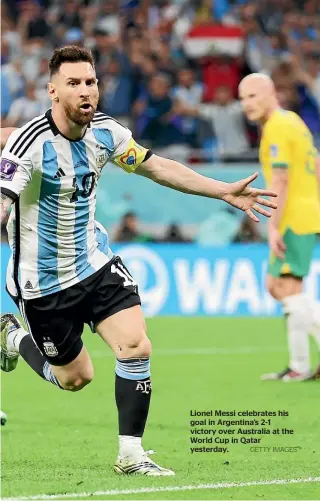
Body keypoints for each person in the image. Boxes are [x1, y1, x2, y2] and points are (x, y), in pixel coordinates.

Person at [0, 46, 276, 476]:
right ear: (53, 92)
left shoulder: (107, 134)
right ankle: (13, 338)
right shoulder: (29, 145)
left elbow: (158, 168)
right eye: (74, 84)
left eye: (90, 82)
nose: (86, 91)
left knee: (136, 345)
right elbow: (2, 204)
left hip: (94, 263)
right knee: (74, 379)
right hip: (43, 282)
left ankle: (131, 454)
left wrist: (221, 190)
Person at [239, 73, 320, 382]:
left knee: (283, 287)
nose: (247, 104)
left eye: (253, 96)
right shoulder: (293, 122)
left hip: (293, 217)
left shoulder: (276, 128)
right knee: (284, 287)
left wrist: (273, 227)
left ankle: (299, 365)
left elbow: (281, 180)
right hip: (306, 212)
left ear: (271, 94)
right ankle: (298, 365)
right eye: (243, 98)